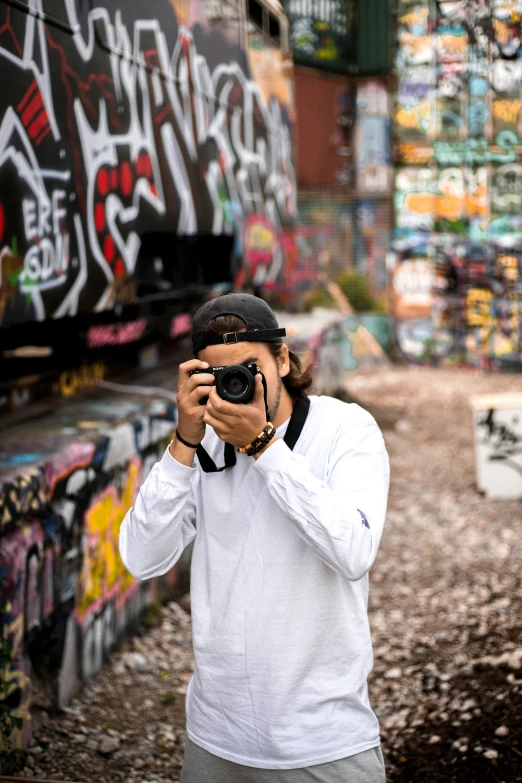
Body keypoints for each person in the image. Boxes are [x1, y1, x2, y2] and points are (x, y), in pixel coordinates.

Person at [119, 293, 390, 783]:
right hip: (217, 738)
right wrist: (183, 442)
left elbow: (354, 551)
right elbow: (141, 558)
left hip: (324, 740)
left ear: (282, 360)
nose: (234, 385)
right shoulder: (203, 447)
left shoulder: (345, 429)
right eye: (219, 374)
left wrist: (264, 447)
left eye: (248, 369)